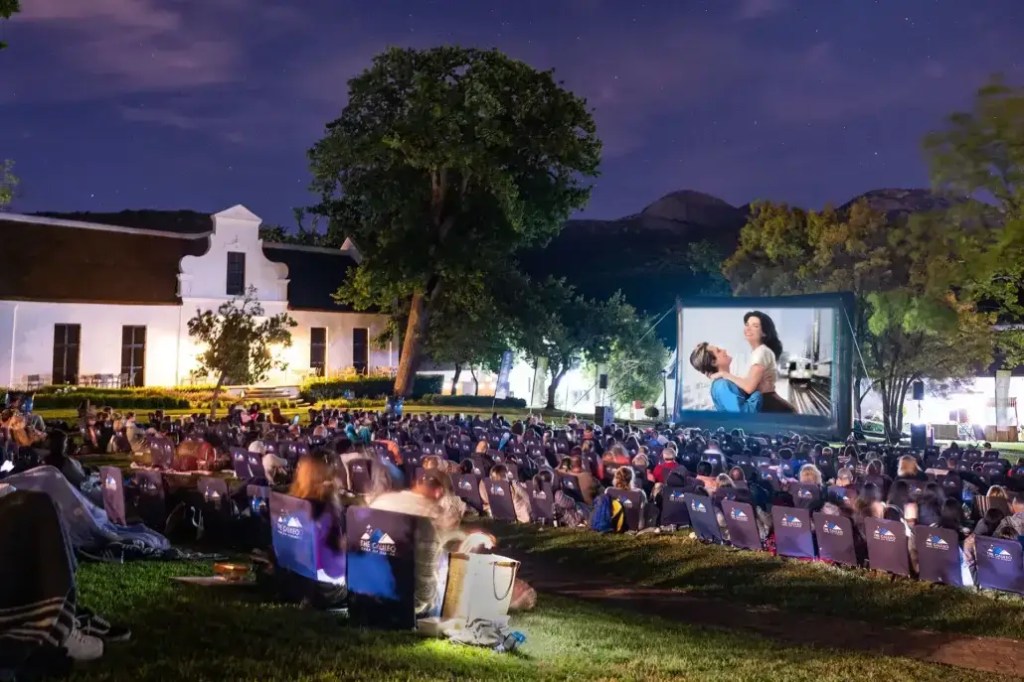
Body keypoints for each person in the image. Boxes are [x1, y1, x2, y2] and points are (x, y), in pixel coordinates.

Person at [709, 311, 795, 413]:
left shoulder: (761, 352)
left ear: (764, 333)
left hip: (768, 405)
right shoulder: (756, 353)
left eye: (755, 326)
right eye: (747, 324)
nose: (748, 328)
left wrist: (724, 374)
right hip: (766, 402)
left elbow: (749, 387)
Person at [689, 343, 763, 413]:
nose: (724, 350)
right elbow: (742, 415)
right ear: (713, 362)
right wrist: (758, 392)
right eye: (719, 351)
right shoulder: (722, 385)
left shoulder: (725, 382)